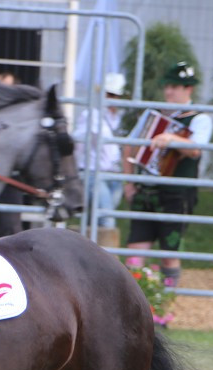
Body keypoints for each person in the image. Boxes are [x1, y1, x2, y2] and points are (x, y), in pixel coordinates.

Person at [123, 61, 213, 290]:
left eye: (176, 86)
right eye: (168, 86)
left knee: (169, 253)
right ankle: (136, 307)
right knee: (134, 254)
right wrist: (129, 182)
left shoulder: (199, 119)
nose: (169, 91)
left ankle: (164, 307)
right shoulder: (153, 115)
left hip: (176, 195)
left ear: (188, 89)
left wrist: (170, 139)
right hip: (147, 191)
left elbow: (195, 148)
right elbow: (128, 147)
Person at [73, 72, 126, 244]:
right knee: (106, 218)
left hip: (113, 174)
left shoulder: (117, 119)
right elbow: (79, 144)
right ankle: (106, 261)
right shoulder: (91, 115)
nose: (112, 99)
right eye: (110, 94)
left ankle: (89, 255)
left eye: (116, 95)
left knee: (97, 217)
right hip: (94, 173)